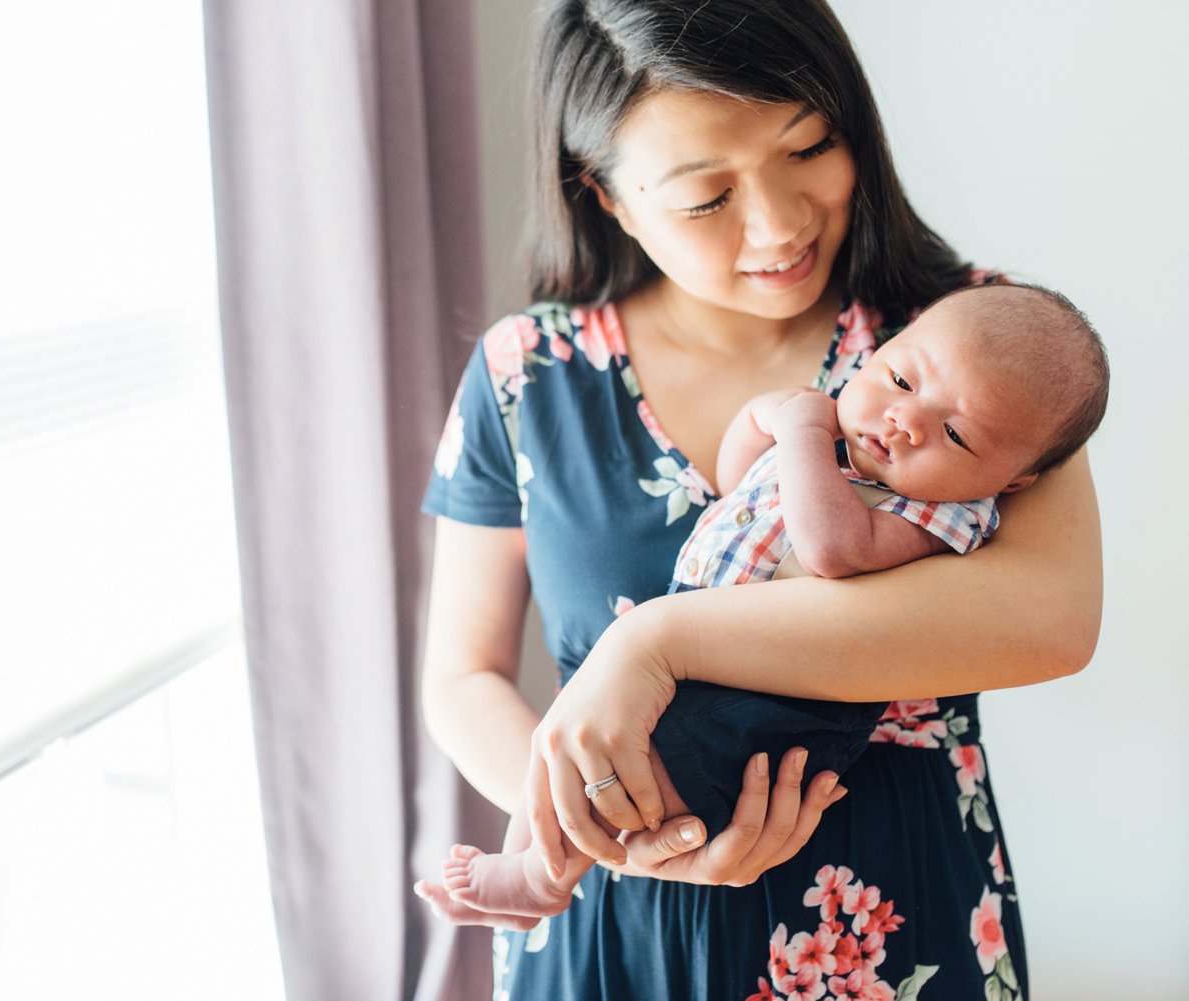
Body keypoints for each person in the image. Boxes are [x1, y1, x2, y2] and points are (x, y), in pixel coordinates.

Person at [414, 1, 1103, 998]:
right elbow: (460, 677)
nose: (781, 224)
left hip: (890, 908)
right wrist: (611, 825)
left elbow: (1048, 619)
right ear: (603, 194)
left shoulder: (970, 349)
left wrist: (656, 643)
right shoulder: (529, 370)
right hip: (608, 917)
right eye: (705, 197)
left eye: (810, 146)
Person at [419, 281, 1108, 929]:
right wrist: (762, 420)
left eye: (956, 436)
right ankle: (530, 862)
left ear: (1014, 478)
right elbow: (733, 481)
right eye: (899, 380)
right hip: (701, 682)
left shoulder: (939, 512)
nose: (905, 421)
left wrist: (803, 431)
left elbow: (834, 548)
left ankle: (544, 873)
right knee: (577, 741)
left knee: (653, 778)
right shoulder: (522, 364)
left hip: (779, 706)